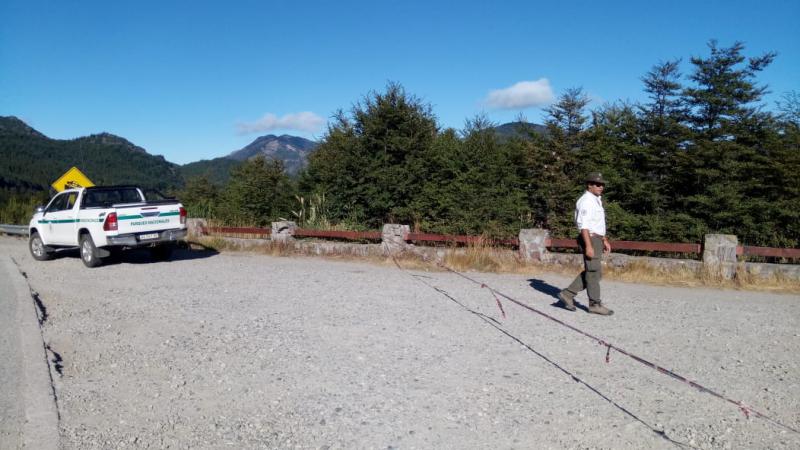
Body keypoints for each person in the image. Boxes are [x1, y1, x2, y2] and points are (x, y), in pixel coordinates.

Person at [558, 172, 614, 316]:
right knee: (593, 272)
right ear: (589, 185)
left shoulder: (596, 199)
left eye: (602, 184)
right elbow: (584, 227)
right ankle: (594, 304)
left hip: (597, 238)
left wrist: (604, 239)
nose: (601, 187)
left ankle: (567, 294)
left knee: (595, 272)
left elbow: (597, 224)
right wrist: (589, 246)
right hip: (589, 238)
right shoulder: (586, 201)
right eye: (597, 184)